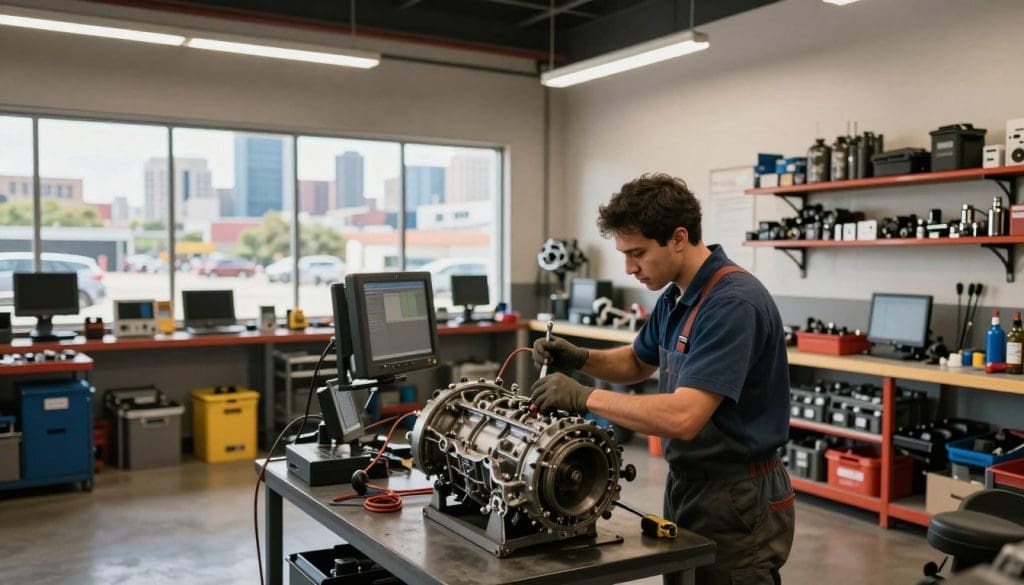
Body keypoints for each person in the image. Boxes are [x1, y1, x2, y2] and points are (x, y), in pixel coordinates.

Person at [530, 173, 794, 585]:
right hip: (690, 483)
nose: (629, 268)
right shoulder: (676, 296)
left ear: (678, 238)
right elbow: (637, 362)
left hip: (738, 496)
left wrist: (584, 397)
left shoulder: (731, 303)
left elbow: (683, 417)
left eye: (637, 253)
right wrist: (580, 358)